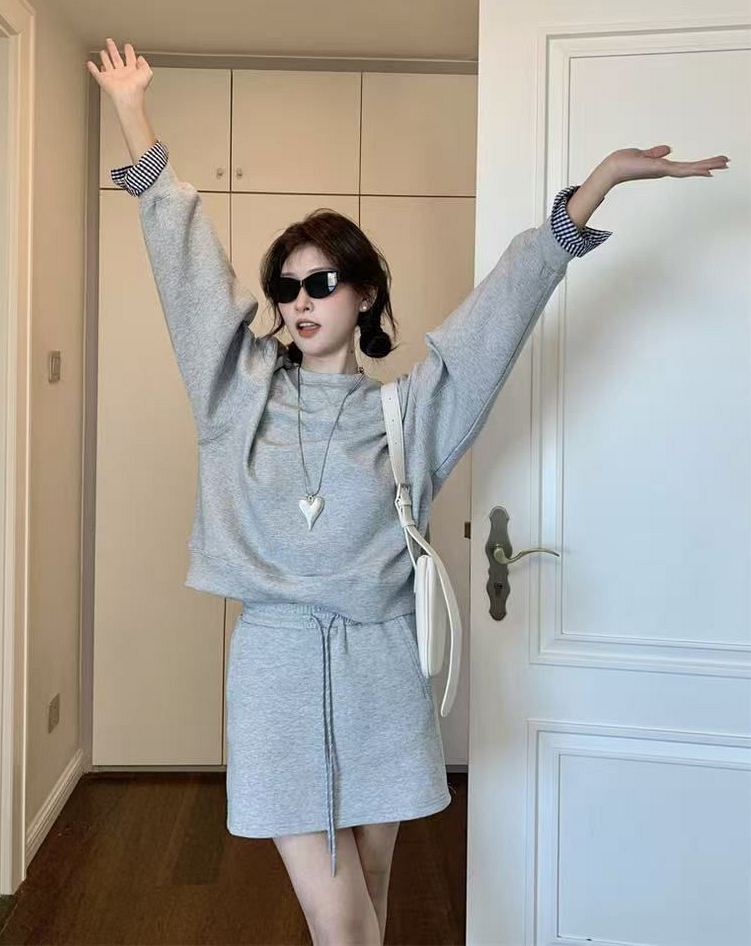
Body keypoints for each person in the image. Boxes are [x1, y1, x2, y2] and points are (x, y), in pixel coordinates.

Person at [87, 37, 729, 946]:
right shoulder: (236, 393)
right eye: (285, 286)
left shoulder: (410, 415)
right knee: (336, 914)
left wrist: (594, 190)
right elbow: (186, 272)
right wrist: (133, 116)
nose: (299, 300)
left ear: (364, 294)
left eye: (321, 281)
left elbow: (497, 320)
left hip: (382, 664)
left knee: (372, 887)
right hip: (275, 666)